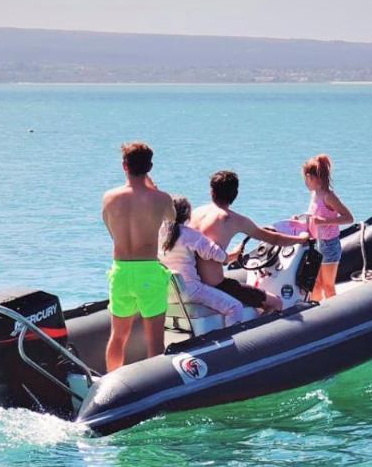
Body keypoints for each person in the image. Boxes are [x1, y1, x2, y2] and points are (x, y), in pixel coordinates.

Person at [102, 142, 175, 372]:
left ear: (124, 166)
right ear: (150, 167)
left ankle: (112, 382)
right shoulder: (161, 199)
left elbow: (110, 230)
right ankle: (154, 385)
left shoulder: (109, 198)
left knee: (118, 336)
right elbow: (172, 220)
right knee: (154, 340)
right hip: (149, 272)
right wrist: (153, 186)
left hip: (121, 270)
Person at [190, 170, 307, 311]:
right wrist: (301, 239)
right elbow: (274, 238)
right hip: (217, 286)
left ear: (212, 192)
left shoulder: (196, 213)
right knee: (276, 303)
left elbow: (207, 254)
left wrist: (234, 255)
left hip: (194, 282)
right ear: (235, 194)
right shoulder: (232, 219)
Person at [159, 197, 251, 326]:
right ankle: (229, 343)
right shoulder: (191, 235)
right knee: (234, 307)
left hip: (166, 292)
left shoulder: (157, 234)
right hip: (190, 290)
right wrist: (234, 255)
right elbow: (218, 255)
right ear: (187, 216)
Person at [302, 153, 354, 301]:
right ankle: (314, 311)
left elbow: (349, 218)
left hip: (329, 245)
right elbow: (314, 216)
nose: (305, 182)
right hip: (317, 244)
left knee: (328, 286)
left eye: (306, 178)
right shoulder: (314, 195)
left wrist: (323, 221)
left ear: (313, 178)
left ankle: (336, 318)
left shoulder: (329, 196)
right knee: (316, 284)